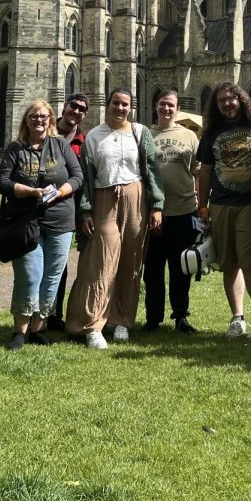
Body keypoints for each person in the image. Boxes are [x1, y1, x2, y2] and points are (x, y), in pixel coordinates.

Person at [66, 87, 164, 348]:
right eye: (115, 103)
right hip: (104, 199)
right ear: (107, 104)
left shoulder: (140, 133)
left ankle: (122, 320)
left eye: (125, 105)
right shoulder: (94, 137)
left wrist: (156, 206)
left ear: (130, 108)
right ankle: (93, 324)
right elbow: (87, 178)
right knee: (100, 262)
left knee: (131, 262)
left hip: (136, 198)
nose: (120, 108)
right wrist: (85, 211)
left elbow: (151, 170)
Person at [0, 100, 83, 350]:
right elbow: (2, 181)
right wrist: (30, 191)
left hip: (60, 220)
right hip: (26, 221)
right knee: (30, 275)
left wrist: (60, 192)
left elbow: (78, 177)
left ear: (51, 119)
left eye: (44, 116)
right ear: (26, 120)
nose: (39, 120)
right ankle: (19, 332)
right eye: (34, 116)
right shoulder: (16, 149)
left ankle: (38, 328)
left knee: (53, 276)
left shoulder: (61, 145)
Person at [197, 81, 251, 340]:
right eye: (221, 101)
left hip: (250, 204)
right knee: (228, 263)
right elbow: (205, 171)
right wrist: (203, 207)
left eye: (231, 99)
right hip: (220, 203)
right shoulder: (211, 133)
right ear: (216, 106)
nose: (227, 104)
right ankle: (237, 318)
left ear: (241, 100)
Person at [143, 88, 201, 334]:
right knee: (153, 270)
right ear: (156, 106)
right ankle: (153, 318)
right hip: (154, 213)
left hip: (184, 210)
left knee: (181, 269)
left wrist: (200, 204)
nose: (166, 109)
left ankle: (181, 317)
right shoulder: (145, 134)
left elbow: (198, 171)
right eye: (162, 104)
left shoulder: (189, 136)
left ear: (177, 109)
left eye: (171, 105)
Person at [45, 92, 90, 331]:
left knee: (60, 263)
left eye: (82, 109)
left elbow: (85, 180)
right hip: (42, 208)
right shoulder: (45, 134)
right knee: (38, 262)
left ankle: (54, 314)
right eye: (74, 106)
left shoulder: (84, 141)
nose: (76, 111)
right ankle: (34, 313)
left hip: (69, 209)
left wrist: (84, 213)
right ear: (64, 106)